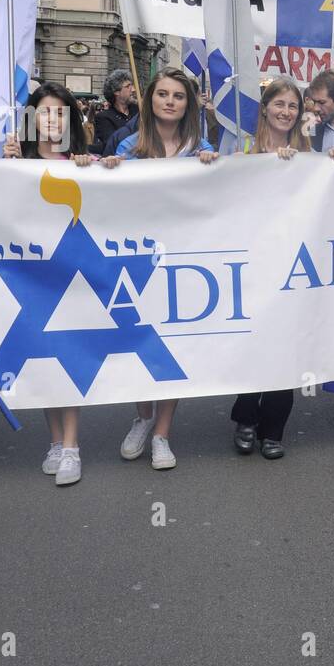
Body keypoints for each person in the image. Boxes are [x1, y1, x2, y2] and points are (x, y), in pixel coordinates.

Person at [104, 67, 218, 469]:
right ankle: (143, 417)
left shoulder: (199, 146)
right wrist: (98, 166)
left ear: (188, 104)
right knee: (140, 344)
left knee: (173, 346)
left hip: (183, 263)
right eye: (163, 94)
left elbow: (220, 195)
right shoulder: (129, 144)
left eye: (178, 96)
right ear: (149, 100)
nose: (170, 101)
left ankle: (163, 433)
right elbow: (100, 193)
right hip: (137, 263)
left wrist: (213, 166)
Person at [1, 82, 95, 485]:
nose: (52, 120)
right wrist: (1, 168)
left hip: (74, 275)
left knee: (67, 354)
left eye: (60, 112)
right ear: (30, 119)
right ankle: (55, 440)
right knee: (43, 357)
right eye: (44, 112)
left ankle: (72, 445)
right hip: (32, 276)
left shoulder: (83, 161)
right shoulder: (13, 162)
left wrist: (99, 167)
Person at [228, 77, 309, 460]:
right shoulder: (243, 148)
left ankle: (273, 428)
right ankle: (246, 417)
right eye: (279, 103)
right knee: (254, 341)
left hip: (294, 264)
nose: (285, 111)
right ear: (265, 107)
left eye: (292, 106)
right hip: (250, 260)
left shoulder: (308, 151)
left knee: (284, 347)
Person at [93, 68, 139, 155]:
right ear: (116, 92)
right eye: (128, 86)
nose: (133, 90)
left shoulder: (138, 110)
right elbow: (113, 144)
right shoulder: (104, 117)